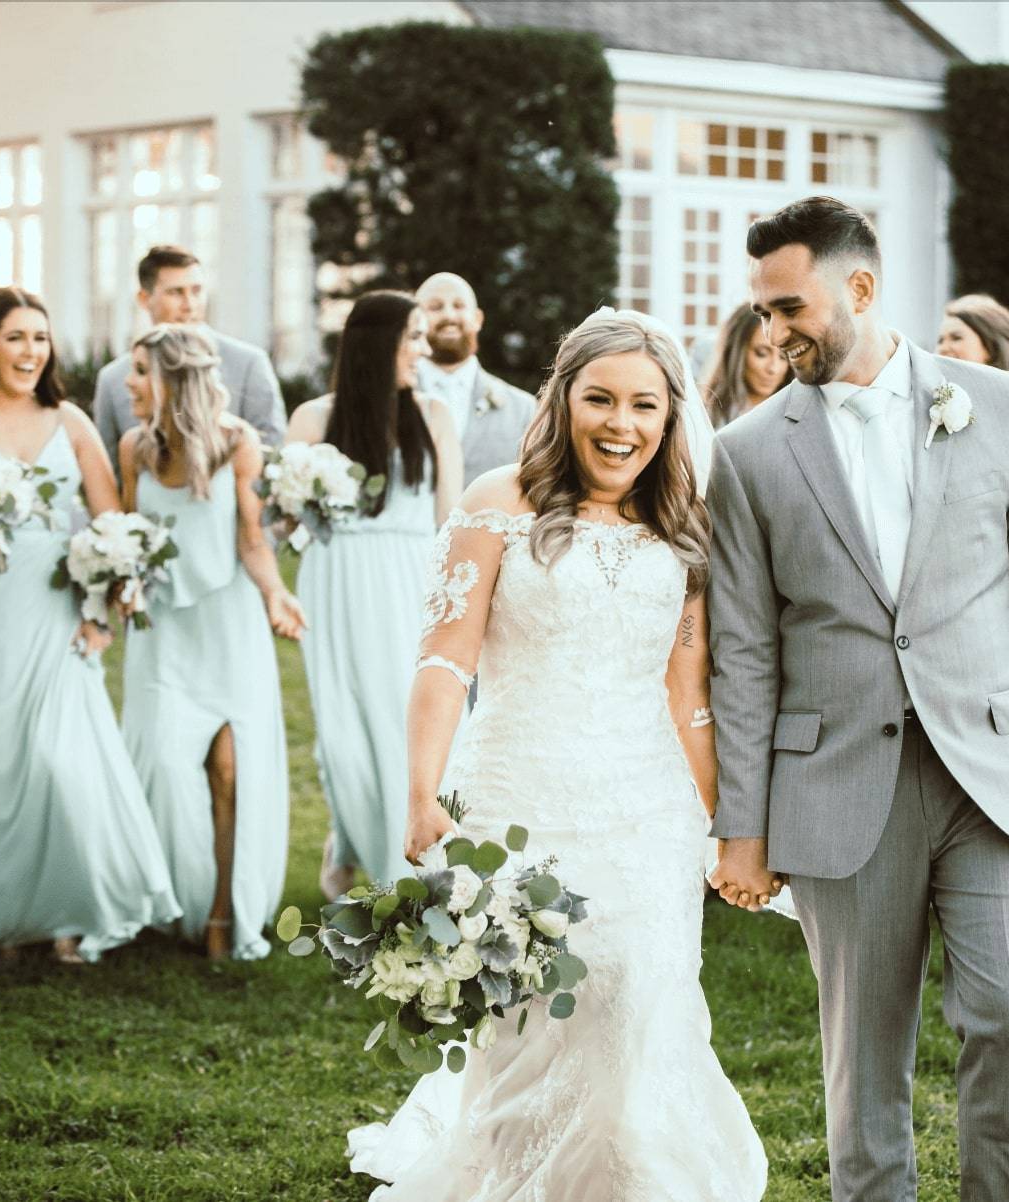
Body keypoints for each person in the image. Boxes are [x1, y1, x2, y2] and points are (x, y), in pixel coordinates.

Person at [708, 197, 1009, 1201]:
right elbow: (744, 653)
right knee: (863, 1049)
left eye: (789, 305)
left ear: (860, 288)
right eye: (761, 310)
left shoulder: (999, 405)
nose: (771, 331)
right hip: (838, 779)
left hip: (995, 766)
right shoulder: (747, 453)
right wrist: (739, 828)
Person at [346, 308, 764, 1198]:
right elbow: (444, 660)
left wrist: (730, 821)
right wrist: (423, 795)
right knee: (531, 1014)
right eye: (601, 399)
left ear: (670, 415)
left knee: (636, 996)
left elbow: (688, 695)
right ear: (562, 399)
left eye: (645, 405)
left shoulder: (683, 523)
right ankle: (514, 1171)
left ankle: (632, 1177)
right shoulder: (497, 504)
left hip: (646, 804)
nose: (623, 424)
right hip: (515, 794)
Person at [0, 287, 179, 965]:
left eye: (40, 337)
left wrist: (102, 618)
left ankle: (71, 913)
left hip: (58, 614)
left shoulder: (72, 422)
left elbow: (111, 526)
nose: (31, 351)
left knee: (64, 762)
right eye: (15, 338)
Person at [118, 325, 304, 961]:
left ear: (171, 378)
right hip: (164, 633)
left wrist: (275, 593)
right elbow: (125, 536)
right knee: (168, 766)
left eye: (139, 372)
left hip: (227, 625)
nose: (128, 384)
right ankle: (169, 895)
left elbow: (251, 537)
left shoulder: (236, 443)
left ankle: (224, 911)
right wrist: (121, 586)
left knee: (229, 771)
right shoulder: (133, 449)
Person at [286, 292, 463, 895]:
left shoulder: (434, 415)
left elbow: (451, 522)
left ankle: (410, 860)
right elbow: (287, 522)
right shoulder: (314, 420)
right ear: (375, 343)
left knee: (407, 719)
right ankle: (354, 836)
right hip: (337, 580)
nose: (422, 348)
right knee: (344, 728)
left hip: (409, 580)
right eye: (411, 336)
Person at [92, 245, 285, 468]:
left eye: (196, 291)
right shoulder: (113, 379)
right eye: (176, 292)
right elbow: (110, 472)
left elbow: (273, 457)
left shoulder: (249, 363)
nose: (190, 305)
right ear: (145, 299)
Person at [411, 272, 534, 482]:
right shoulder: (388, 401)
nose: (449, 316)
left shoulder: (523, 409)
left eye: (459, 306)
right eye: (435, 307)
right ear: (415, 321)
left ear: (477, 319)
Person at [702, 301, 793, 424]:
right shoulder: (704, 417)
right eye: (762, 354)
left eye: (783, 356)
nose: (773, 368)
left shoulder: (797, 416)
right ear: (737, 353)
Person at [936, 292, 1009, 378]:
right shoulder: (932, 394)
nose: (943, 349)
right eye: (940, 341)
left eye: (956, 338)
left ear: (990, 348)